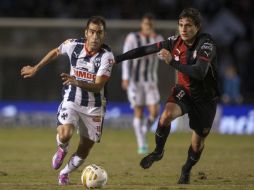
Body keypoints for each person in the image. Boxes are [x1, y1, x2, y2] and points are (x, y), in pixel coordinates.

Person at [116, 8, 219, 184]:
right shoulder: (174, 42)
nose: (183, 30)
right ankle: (158, 151)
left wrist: (172, 62)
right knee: (165, 116)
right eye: (181, 25)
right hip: (184, 92)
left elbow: (200, 72)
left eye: (188, 26)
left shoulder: (206, 44)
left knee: (197, 144)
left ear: (198, 27)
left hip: (205, 99)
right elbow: (144, 50)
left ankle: (186, 169)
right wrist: (117, 58)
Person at [20, 16, 114, 185]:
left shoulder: (107, 57)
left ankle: (64, 173)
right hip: (72, 98)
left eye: (99, 33)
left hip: (94, 107)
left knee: (84, 149)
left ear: (104, 35)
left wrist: (77, 81)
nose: (95, 36)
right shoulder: (74, 45)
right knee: (65, 133)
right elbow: (56, 51)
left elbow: (98, 85)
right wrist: (36, 68)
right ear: (86, 33)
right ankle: (62, 148)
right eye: (92, 32)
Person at [121, 13, 164, 154]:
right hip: (135, 81)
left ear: (153, 26)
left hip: (150, 81)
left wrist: (164, 54)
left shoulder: (158, 39)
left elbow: (162, 56)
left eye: (150, 24)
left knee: (155, 111)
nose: (148, 26)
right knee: (138, 112)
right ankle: (141, 144)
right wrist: (125, 77)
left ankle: (144, 130)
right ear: (142, 25)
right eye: (146, 24)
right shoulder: (132, 38)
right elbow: (126, 57)